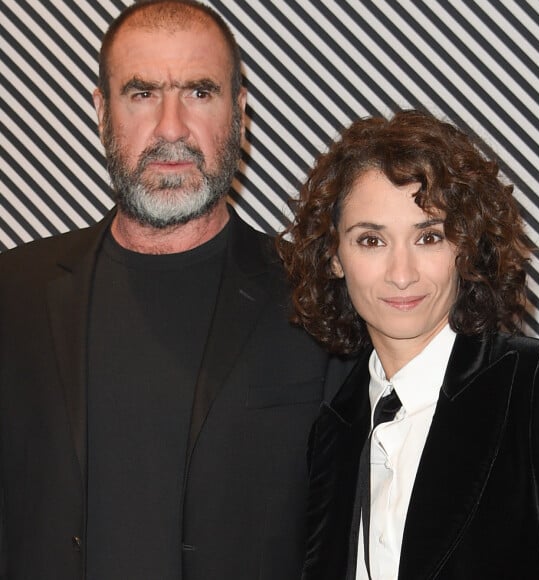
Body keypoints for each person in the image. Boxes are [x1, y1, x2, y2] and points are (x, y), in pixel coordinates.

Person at [0, 2, 351, 579]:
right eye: (141, 94)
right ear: (101, 112)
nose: (170, 128)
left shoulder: (316, 299)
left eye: (199, 92)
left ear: (238, 113)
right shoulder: (12, 298)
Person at [278, 109, 539, 579]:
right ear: (335, 256)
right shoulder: (333, 430)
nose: (402, 274)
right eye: (372, 240)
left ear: (466, 246)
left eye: (429, 237)